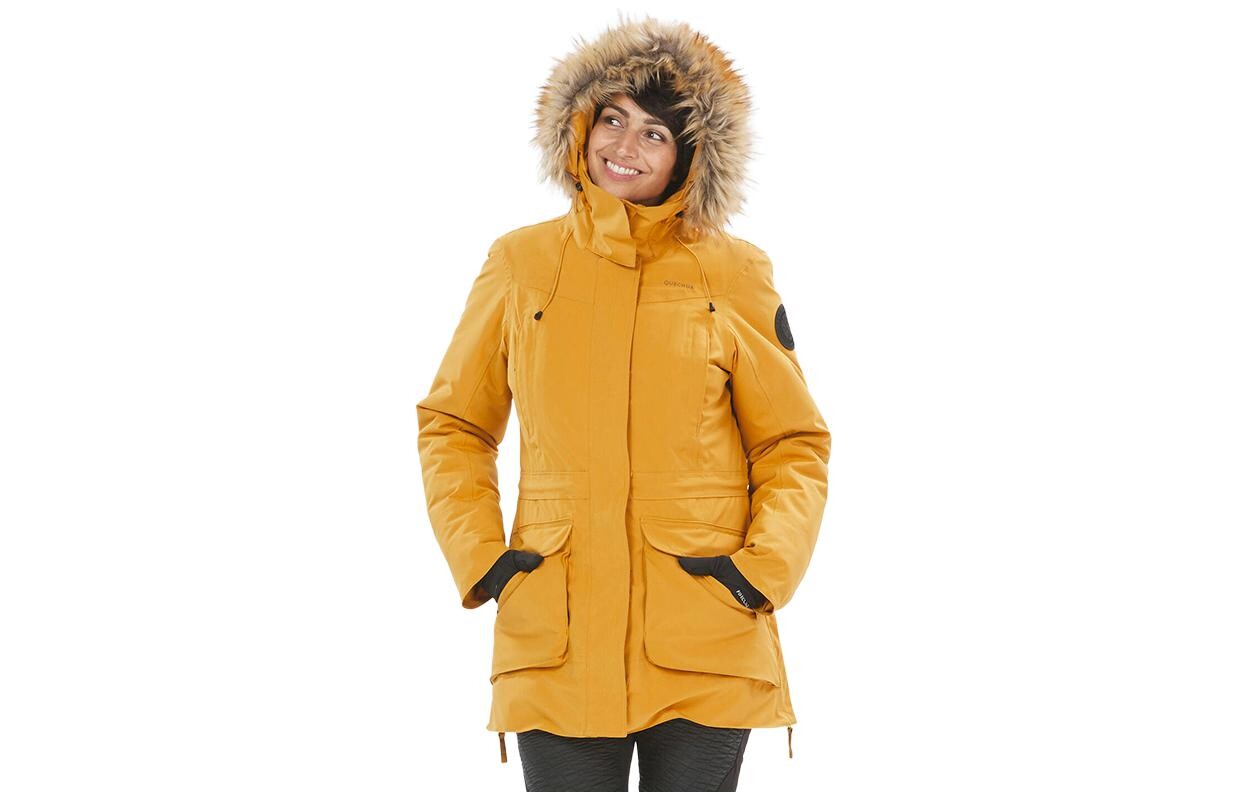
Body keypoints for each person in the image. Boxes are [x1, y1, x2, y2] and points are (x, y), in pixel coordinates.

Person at [416, 14, 831, 791]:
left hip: (704, 628)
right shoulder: (521, 263)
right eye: (613, 118)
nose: (625, 146)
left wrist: (758, 574)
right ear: (580, 126)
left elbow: (792, 443)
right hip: (558, 630)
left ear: (690, 155)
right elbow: (454, 424)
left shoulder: (734, 272)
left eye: (654, 133)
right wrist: (485, 561)